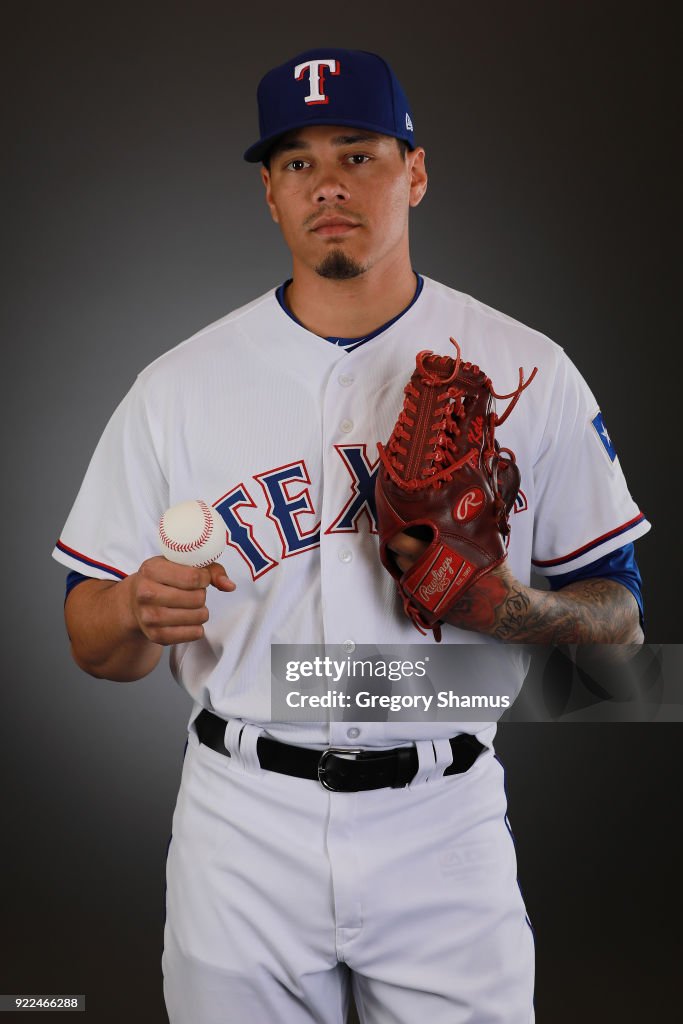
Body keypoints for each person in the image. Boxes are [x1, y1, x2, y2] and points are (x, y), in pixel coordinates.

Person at [53, 48, 649, 1024]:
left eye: (357, 152)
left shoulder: (524, 368)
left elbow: (620, 622)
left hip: (443, 824)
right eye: (296, 161)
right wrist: (127, 606)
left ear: (414, 170)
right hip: (239, 829)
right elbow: (87, 638)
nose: (327, 182)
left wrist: (513, 607)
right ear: (269, 195)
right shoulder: (176, 387)